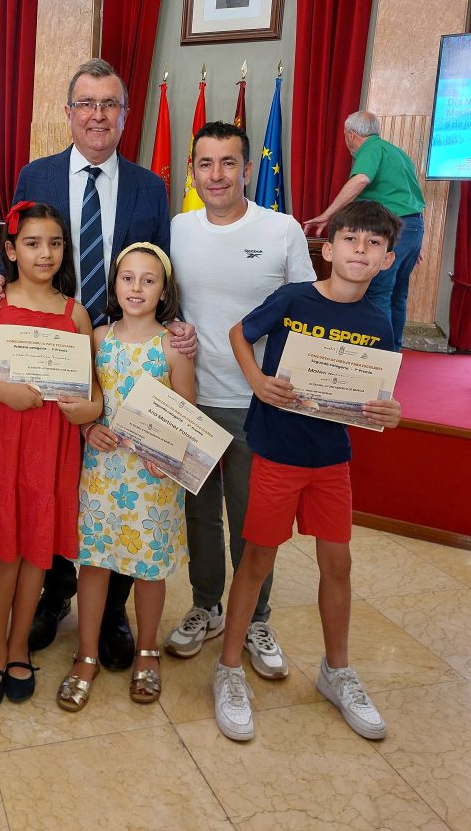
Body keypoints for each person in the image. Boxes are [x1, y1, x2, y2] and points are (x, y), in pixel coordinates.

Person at [0, 58, 195, 669]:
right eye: (86, 104)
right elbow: (18, 248)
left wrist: (174, 330)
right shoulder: (36, 173)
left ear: (125, 114)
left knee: (112, 482)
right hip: (51, 353)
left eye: (109, 104)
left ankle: (114, 608)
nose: (98, 115)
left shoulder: (150, 187)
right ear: (68, 112)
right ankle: (52, 594)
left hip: (123, 357)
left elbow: (158, 268)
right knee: (53, 477)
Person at [215, 200, 402, 742]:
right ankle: (228, 667)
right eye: (351, 239)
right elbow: (239, 333)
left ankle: (336, 671)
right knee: (257, 559)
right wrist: (256, 380)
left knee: (338, 563)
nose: (360, 250)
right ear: (329, 247)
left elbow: (377, 397)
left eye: (373, 244)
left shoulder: (378, 322)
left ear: (387, 260)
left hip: (330, 462)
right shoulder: (295, 297)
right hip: (276, 454)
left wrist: (389, 412)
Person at [0, 202, 102, 710]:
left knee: (35, 550)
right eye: (32, 243)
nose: (44, 253)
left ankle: (18, 646)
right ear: (10, 250)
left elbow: (93, 391)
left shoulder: (75, 314)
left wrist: (86, 410)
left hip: (50, 447)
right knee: (3, 551)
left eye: (54, 243)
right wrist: (3, 391)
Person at [166, 121, 315, 679]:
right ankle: (206, 606)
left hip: (260, 403)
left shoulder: (281, 230)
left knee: (254, 519)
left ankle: (255, 617)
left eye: (228, 162)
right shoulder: (178, 229)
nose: (217, 175)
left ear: (247, 169)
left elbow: (306, 311)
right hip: (191, 399)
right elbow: (162, 299)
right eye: (205, 163)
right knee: (200, 515)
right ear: (193, 171)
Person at [57, 244, 194, 712]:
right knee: (94, 563)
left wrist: (169, 455)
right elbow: (85, 399)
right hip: (101, 473)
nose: (137, 288)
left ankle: (147, 651)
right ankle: (86, 655)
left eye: (148, 280)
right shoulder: (97, 338)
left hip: (153, 480)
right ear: (114, 284)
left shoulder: (172, 347)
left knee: (149, 569)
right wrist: (88, 429)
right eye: (128, 278)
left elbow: (187, 416)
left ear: (164, 291)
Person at [303, 111, 425, 350]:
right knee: (398, 295)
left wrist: (327, 215)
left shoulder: (371, 148)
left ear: (351, 134)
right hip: (412, 228)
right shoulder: (399, 153)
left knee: (378, 291)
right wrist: (414, 243)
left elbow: (361, 180)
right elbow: (413, 198)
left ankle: (376, 355)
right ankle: (392, 351)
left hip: (390, 229)